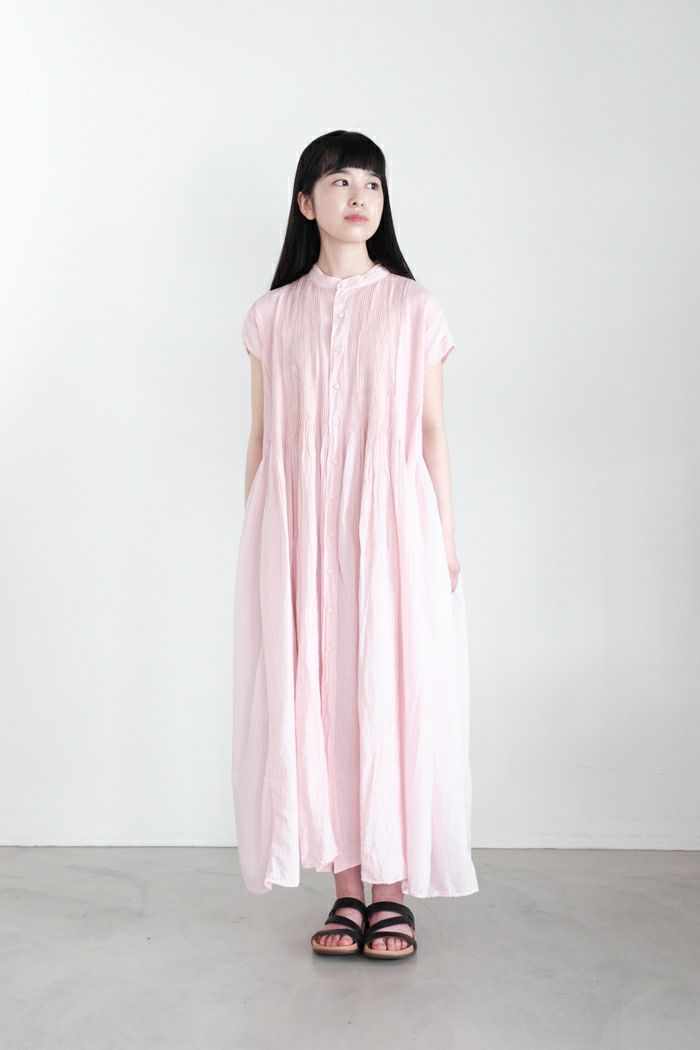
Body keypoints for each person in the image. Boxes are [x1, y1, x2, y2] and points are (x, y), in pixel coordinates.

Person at [232, 130, 478, 960]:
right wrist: (259, 537)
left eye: (371, 183)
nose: (358, 197)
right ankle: (345, 888)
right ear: (307, 202)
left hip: (393, 527)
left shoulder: (413, 308)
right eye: (340, 182)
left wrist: (445, 538)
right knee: (321, 690)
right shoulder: (272, 316)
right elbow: (262, 437)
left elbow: (432, 431)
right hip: (300, 529)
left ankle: (392, 891)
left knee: (391, 686)